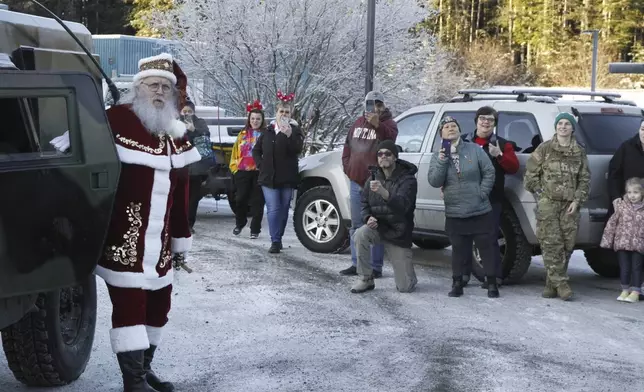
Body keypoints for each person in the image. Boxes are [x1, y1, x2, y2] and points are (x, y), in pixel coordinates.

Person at [96, 53, 201, 392]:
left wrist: (181, 241)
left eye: (165, 88)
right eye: (153, 85)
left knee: (160, 303)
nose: (159, 92)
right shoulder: (115, 120)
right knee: (130, 306)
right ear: (138, 87)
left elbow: (183, 190)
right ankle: (133, 381)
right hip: (123, 237)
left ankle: (144, 368)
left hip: (161, 242)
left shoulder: (174, 131)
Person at [428, 116, 499, 298]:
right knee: (459, 249)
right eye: (446, 127)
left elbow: (489, 171)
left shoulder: (474, 150)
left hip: (479, 209)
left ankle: (491, 282)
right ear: (441, 134)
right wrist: (443, 160)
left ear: (459, 130)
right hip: (455, 211)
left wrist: (482, 193)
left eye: (454, 126)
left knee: (486, 247)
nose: (451, 129)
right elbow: (435, 181)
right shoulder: (438, 156)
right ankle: (457, 282)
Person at [524, 112, 590, 301]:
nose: (563, 127)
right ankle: (562, 284)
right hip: (549, 204)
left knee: (567, 245)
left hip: (570, 205)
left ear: (572, 128)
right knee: (551, 243)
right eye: (560, 123)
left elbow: (584, 179)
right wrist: (542, 194)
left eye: (566, 124)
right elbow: (530, 176)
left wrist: (577, 201)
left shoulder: (579, 151)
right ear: (556, 127)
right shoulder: (544, 149)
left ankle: (550, 284)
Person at [339, 91, 398, 279]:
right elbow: (347, 145)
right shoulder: (357, 123)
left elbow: (390, 142)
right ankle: (357, 264)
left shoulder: (388, 124)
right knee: (356, 224)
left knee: (374, 224)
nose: (375, 108)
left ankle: (375, 267)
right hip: (356, 181)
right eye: (371, 104)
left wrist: (377, 125)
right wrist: (347, 166)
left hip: (375, 182)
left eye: (378, 104)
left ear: (383, 106)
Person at [461, 106, 520, 288]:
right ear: (476, 121)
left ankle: (493, 276)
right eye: (482, 119)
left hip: (491, 198)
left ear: (494, 124)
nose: (485, 122)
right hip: (465, 197)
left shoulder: (502, 144)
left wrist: (500, 155)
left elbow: (513, 167)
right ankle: (462, 274)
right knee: (465, 236)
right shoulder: (464, 141)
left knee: (489, 237)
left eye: (490, 120)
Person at [350, 140, 418, 294]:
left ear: (395, 157)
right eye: (380, 154)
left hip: (398, 232)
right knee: (360, 234)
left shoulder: (408, 180)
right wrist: (368, 218)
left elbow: (403, 206)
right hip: (379, 227)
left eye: (388, 153)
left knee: (405, 287)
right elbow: (364, 202)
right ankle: (365, 278)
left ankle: (409, 276)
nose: (383, 157)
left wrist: (384, 193)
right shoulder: (373, 177)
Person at [252, 91, 304, 253]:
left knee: (283, 209)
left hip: (287, 176)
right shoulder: (268, 130)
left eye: (287, 112)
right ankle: (275, 241)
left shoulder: (295, 130)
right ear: (276, 113)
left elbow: (297, 149)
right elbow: (256, 150)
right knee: (273, 208)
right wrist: (261, 164)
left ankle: (279, 237)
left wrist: (289, 135)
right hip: (268, 177)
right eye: (281, 111)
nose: (284, 114)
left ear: (291, 114)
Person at [600, 177, 644, 303]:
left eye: (636, 192)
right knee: (624, 267)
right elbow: (612, 224)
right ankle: (625, 290)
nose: (632, 196)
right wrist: (607, 240)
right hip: (622, 243)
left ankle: (635, 291)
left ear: (642, 193)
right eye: (629, 192)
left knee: (637, 268)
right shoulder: (622, 207)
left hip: (639, 244)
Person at [230, 99, 266, 239]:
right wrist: (234, 168)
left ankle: (255, 229)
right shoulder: (243, 134)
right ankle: (240, 223)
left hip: (259, 172)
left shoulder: (266, 134)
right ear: (249, 119)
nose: (255, 121)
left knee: (258, 202)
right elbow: (235, 152)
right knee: (240, 199)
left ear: (262, 120)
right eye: (253, 118)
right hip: (243, 172)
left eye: (258, 119)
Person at [182, 100, 212, 233]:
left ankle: (189, 224)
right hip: (181, 165)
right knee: (180, 197)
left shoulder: (200, 122)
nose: (187, 114)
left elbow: (205, 135)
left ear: (193, 112)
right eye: (184, 111)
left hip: (196, 166)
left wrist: (193, 130)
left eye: (189, 111)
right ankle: (179, 222)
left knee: (193, 198)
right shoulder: (176, 121)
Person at [608, 119, 644, 212]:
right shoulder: (626, 147)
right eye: (643, 129)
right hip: (626, 204)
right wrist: (615, 196)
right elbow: (614, 174)